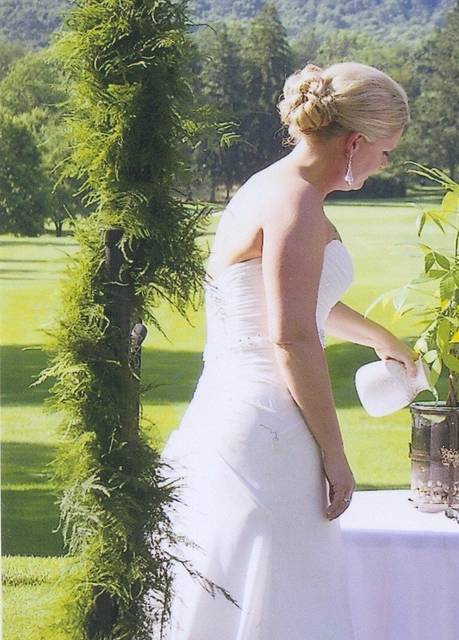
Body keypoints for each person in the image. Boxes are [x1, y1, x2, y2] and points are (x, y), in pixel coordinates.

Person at [157, 62, 417, 639]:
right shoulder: (297, 202)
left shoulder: (266, 186)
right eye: (385, 151)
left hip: (227, 409)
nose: (383, 164)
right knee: (281, 601)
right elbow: (292, 334)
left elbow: (290, 298)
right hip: (271, 425)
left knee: (229, 592)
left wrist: (380, 336)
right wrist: (335, 453)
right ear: (354, 143)